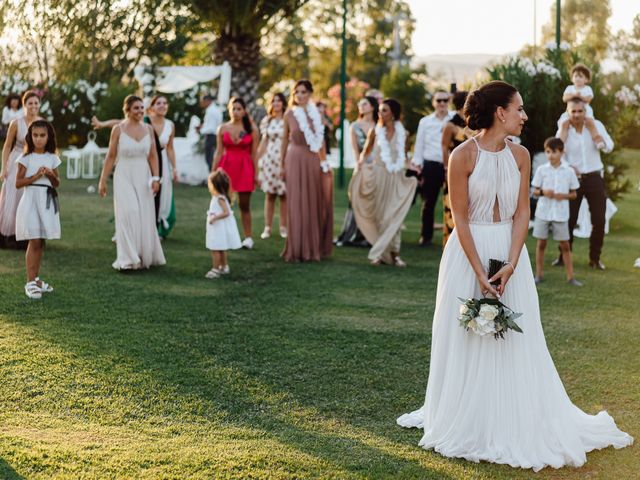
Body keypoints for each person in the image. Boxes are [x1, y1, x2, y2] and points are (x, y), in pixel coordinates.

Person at [396, 81, 632, 470]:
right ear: (499, 113)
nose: (525, 116)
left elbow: (523, 212)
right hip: (467, 256)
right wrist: (479, 271)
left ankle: (511, 414)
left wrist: (511, 262)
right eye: (519, 109)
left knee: (515, 338)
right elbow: (460, 221)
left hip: (510, 252)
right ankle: (468, 414)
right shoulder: (462, 156)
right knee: (467, 337)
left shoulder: (522, 155)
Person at [98, 95, 166, 270]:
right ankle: (127, 258)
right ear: (127, 110)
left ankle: (143, 254)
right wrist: (103, 180)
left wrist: (156, 178)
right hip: (124, 174)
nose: (140, 111)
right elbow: (111, 156)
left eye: (142, 108)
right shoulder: (118, 129)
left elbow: (153, 156)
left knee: (144, 213)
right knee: (129, 212)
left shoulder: (149, 129)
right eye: (136, 108)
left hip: (143, 174)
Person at [350, 99, 417, 266]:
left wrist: (414, 167)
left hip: (396, 177)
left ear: (393, 113)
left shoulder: (404, 134)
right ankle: (381, 255)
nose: (380, 113)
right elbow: (365, 153)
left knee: (394, 216)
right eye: (379, 110)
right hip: (379, 176)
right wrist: (359, 167)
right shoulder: (375, 131)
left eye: (384, 110)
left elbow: (404, 156)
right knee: (381, 217)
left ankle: (395, 254)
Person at [554, 97, 613, 270]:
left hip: (595, 177)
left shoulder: (596, 125)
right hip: (574, 179)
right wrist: (569, 166)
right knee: (568, 219)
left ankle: (595, 259)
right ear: (568, 112)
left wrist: (595, 133)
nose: (577, 114)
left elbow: (609, 146)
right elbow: (556, 154)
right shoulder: (564, 130)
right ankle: (563, 256)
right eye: (573, 111)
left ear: (585, 111)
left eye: (580, 111)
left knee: (599, 220)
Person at [280, 79, 332, 262]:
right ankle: (297, 248)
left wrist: (324, 163)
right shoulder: (289, 114)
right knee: (296, 202)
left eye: (303, 92)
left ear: (309, 94)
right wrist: (281, 165)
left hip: (312, 160)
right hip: (294, 159)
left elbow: (321, 141)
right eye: (297, 92)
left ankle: (313, 247)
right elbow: (284, 141)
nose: (300, 95)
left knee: (313, 201)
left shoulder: (316, 114)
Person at [14, 120, 60, 299]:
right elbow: (18, 183)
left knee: (40, 241)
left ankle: (36, 278)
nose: (39, 139)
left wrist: (49, 174)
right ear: (30, 137)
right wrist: (36, 176)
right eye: (35, 135)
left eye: (42, 135)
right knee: (33, 240)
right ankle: (29, 282)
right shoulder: (25, 158)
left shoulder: (52, 157)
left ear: (48, 137)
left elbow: (57, 183)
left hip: (46, 200)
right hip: (31, 200)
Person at [531, 137, 582, 286]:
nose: (550, 155)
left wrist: (563, 196)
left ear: (561, 152)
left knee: (565, 245)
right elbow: (534, 191)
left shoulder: (569, 171)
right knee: (541, 244)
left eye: (554, 152)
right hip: (543, 212)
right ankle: (538, 274)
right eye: (547, 152)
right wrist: (543, 192)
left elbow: (574, 194)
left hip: (560, 213)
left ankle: (570, 277)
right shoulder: (542, 170)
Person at [212, 97, 259, 249]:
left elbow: (254, 154)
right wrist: (213, 171)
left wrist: (256, 173)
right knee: (223, 203)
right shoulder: (222, 128)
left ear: (244, 111)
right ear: (229, 109)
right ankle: (225, 237)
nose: (236, 112)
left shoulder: (252, 130)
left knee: (244, 204)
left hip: (245, 168)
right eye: (233, 108)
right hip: (226, 168)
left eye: (239, 109)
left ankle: (248, 238)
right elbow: (218, 152)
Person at [0, 90, 43, 249]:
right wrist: (4, 168)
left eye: (36, 103)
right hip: (16, 162)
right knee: (13, 196)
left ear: (39, 105)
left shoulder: (42, 122)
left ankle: (29, 235)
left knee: (31, 198)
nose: (33, 106)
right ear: (24, 105)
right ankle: (9, 235)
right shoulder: (16, 123)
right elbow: (7, 146)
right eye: (30, 103)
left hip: (35, 163)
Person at [335, 96, 378, 248]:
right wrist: (359, 166)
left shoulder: (379, 125)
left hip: (377, 169)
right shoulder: (355, 126)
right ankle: (351, 234)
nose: (361, 106)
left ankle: (370, 236)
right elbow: (355, 150)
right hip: (361, 166)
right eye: (360, 104)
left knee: (373, 202)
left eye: (364, 103)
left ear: (372, 107)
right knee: (355, 200)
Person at [412, 91, 453, 246]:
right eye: (439, 100)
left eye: (445, 100)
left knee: (453, 202)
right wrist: (418, 166)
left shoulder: (455, 119)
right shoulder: (425, 122)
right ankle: (426, 236)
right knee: (428, 203)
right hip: (431, 165)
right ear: (434, 102)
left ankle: (452, 237)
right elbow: (419, 145)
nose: (442, 103)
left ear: (449, 101)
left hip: (451, 166)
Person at [440, 91, 472, 247]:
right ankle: (453, 243)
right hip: (455, 170)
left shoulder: (473, 123)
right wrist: (447, 168)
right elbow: (444, 147)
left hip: (472, 170)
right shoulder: (450, 125)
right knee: (452, 207)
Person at [257, 92, 287, 240]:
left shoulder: (287, 120)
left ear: (283, 103)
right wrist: (257, 158)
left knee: (283, 195)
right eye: (274, 101)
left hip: (284, 159)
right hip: (269, 160)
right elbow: (264, 142)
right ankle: (267, 227)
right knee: (270, 195)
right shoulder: (267, 121)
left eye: (279, 101)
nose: (276, 104)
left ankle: (283, 227)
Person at [148, 95, 177, 238]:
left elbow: (170, 148)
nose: (162, 105)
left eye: (165, 103)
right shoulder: (145, 122)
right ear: (152, 106)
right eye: (158, 103)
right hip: (146, 161)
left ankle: (157, 226)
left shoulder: (170, 124)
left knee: (162, 194)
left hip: (163, 163)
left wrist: (175, 168)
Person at [205, 169, 242, 279]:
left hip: (218, 226)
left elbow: (226, 212)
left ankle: (216, 269)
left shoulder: (220, 198)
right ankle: (224, 266)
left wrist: (214, 217)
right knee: (221, 247)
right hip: (218, 226)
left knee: (216, 248)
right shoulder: (219, 197)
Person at [558, 64, 602, 145]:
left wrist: (581, 96)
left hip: (585, 111)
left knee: (591, 123)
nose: (577, 78)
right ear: (572, 78)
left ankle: (597, 140)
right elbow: (564, 98)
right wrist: (574, 95)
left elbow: (589, 99)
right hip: (570, 111)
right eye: (575, 76)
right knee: (564, 124)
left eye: (580, 76)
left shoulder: (587, 89)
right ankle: (560, 145)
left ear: (586, 79)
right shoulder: (569, 88)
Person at [199, 94, 223, 170]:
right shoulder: (216, 109)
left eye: (202, 101)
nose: (201, 104)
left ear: (207, 101)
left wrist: (200, 130)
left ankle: (212, 178)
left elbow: (211, 128)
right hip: (215, 136)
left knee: (210, 160)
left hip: (211, 137)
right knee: (211, 159)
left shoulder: (211, 111)